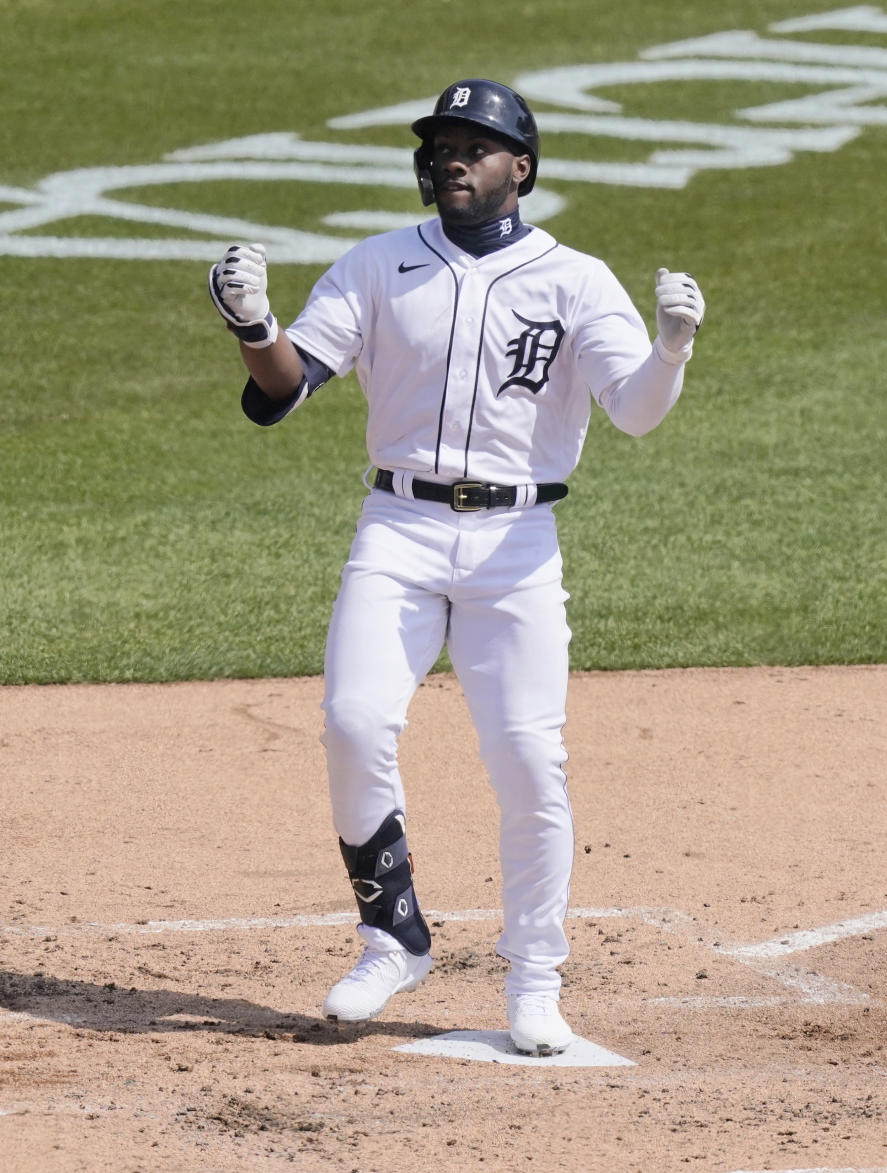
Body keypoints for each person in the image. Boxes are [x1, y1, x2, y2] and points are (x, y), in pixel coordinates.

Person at [208, 79, 704, 1056]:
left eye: (475, 147)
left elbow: (636, 411)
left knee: (529, 761)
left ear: (521, 167)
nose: (452, 160)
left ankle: (536, 979)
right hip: (397, 526)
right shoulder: (379, 265)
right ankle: (391, 933)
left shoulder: (576, 280)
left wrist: (673, 349)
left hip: (517, 548)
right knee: (353, 721)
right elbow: (282, 392)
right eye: (441, 145)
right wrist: (253, 327)